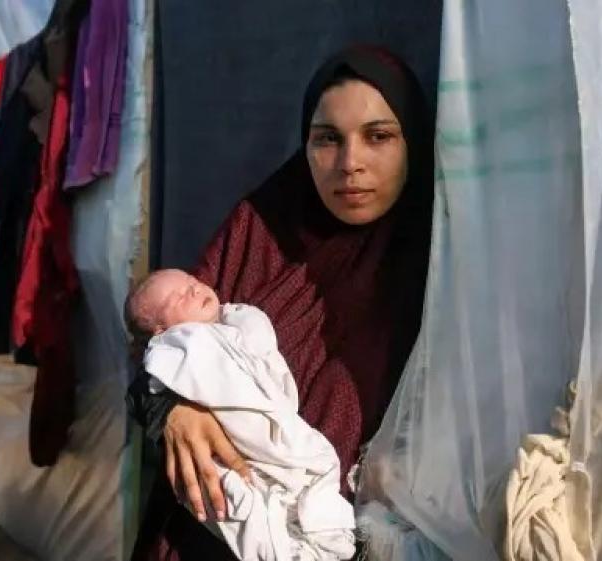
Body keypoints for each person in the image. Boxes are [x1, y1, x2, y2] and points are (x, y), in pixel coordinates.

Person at [128, 45, 434, 560]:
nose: (350, 163)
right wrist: (171, 410)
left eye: (378, 136)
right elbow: (156, 341)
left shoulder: (436, 262)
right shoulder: (262, 228)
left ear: (413, 140)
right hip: (203, 535)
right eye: (327, 139)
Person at [127, 268, 356, 560]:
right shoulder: (176, 345)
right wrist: (169, 410)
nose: (195, 289)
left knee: (318, 473)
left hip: (290, 441)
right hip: (226, 461)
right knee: (239, 505)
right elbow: (148, 375)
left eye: (194, 283)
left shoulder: (237, 320)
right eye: (180, 296)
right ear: (161, 330)